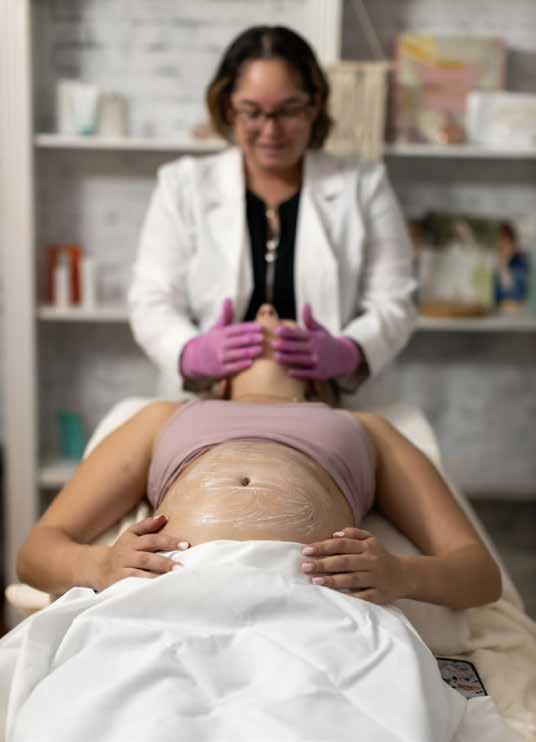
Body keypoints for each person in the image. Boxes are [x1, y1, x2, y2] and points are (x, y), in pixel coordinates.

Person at [18, 304, 500, 611]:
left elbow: (479, 573)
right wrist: (102, 566)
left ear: (318, 372)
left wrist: (400, 575)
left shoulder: (366, 428)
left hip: (315, 609)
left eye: (281, 318)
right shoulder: (161, 417)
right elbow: (36, 552)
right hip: (174, 598)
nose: (267, 310)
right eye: (251, 320)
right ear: (220, 374)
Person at [128, 25, 417, 399]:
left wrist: (350, 352)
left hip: (326, 401)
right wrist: (190, 353)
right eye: (252, 111)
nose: (270, 129)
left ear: (314, 106)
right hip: (208, 399)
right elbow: (152, 301)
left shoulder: (364, 186)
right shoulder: (182, 186)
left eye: (288, 110)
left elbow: (394, 303)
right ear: (228, 109)